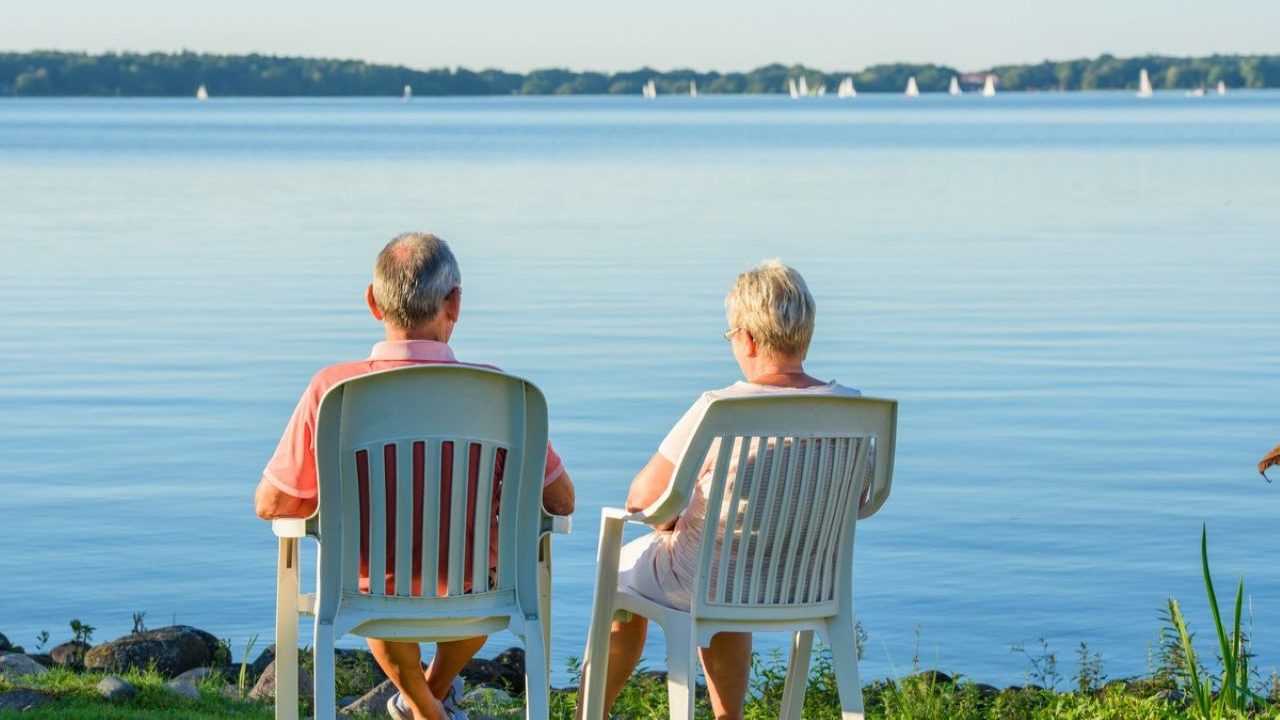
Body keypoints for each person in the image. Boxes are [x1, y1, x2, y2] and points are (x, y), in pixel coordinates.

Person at [254, 232, 575, 720]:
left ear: (372, 302)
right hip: (478, 592)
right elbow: (561, 500)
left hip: (369, 592)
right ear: (455, 304)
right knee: (486, 572)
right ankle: (430, 706)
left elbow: (272, 504)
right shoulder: (504, 393)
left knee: (377, 581)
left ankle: (424, 708)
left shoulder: (333, 390)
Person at [587, 259, 861, 720]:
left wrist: (674, 516)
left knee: (618, 569)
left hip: (708, 581)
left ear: (748, 338)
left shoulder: (721, 408)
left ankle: (590, 713)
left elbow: (643, 499)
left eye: (731, 334)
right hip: (805, 582)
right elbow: (858, 500)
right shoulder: (853, 409)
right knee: (731, 564)